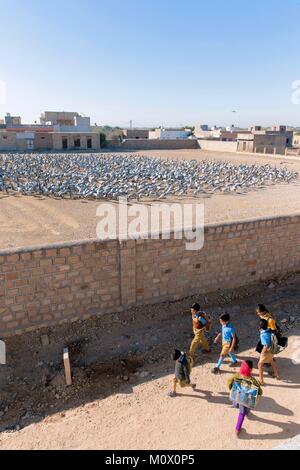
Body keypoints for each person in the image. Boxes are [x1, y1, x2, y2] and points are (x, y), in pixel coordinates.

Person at [228, 360, 263, 436]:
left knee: (238, 404)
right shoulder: (253, 380)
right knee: (242, 413)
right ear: (251, 369)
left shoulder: (237, 376)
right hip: (246, 400)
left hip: (237, 396)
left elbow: (229, 381)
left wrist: (231, 388)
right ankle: (237, 429)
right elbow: (260, 391)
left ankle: (239, 427)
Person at [258, 319, 280, 385]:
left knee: (260, 365)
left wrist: (263, 352)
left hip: (267, 351)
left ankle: (261, 380)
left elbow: (266, 345)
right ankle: (276, 375)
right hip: (272, 350)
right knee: (271, 361)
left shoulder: (263, 335)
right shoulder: (270, 331)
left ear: (260, 327)